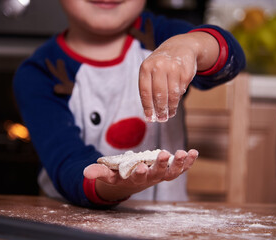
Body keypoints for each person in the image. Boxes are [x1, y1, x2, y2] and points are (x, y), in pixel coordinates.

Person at [13, 0, 245, 208]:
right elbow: (66, 163)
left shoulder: (161, 35)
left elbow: (233, 57)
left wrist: (191, 46)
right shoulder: (38, 74)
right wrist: (114, 184)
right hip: (70, 226)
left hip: (164, 227)